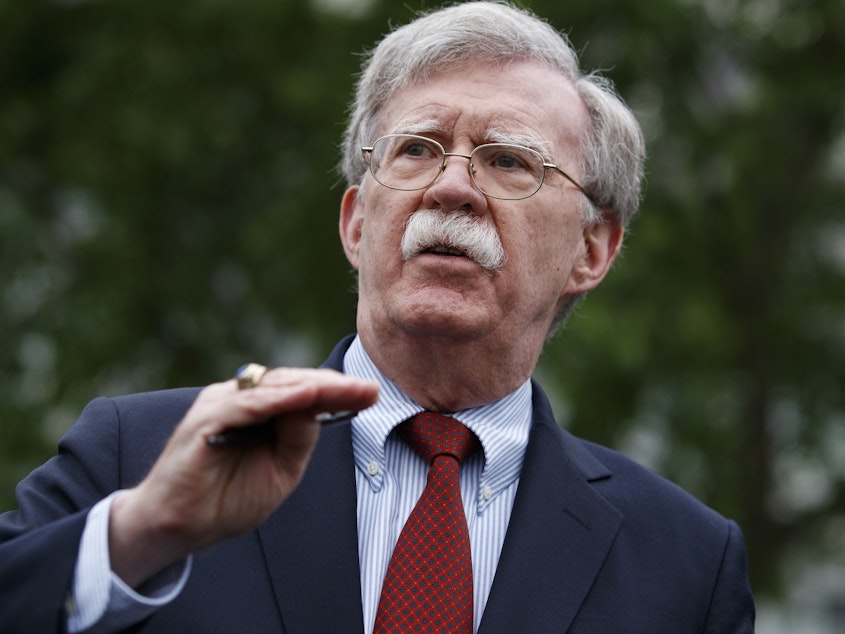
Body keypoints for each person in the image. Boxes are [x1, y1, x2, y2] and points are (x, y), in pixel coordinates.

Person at [0, 2, 755, 632]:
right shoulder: (139, 458)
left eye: (508, 161)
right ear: (357, 223)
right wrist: (143, 534)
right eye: (417, 149)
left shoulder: (686, 561)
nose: (451, 187)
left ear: (591, 250)